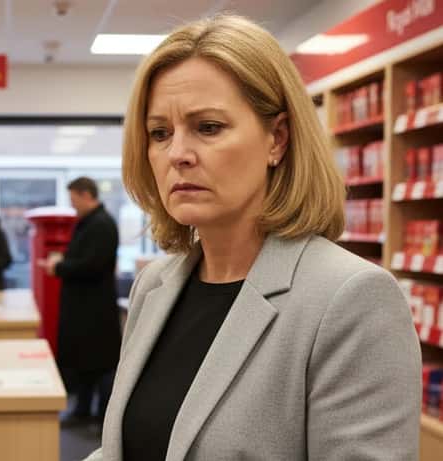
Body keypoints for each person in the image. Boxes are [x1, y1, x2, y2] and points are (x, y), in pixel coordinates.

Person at [83, 15, 419, 461]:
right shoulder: (155, 286)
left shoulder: (351, 299)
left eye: (208, 127)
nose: (177, 154)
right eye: (159, 133)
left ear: (277, 139)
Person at [44, 177, 120, 425]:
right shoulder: (89, 223)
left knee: (101, 367)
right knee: (85, 364)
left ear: (87, 195)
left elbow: (92, 265)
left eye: (74, 199)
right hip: (85, 308)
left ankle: (103, 419)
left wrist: (59, 267)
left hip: (94, 310)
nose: (72, 205)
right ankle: (83, 412)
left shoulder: (101, 225)